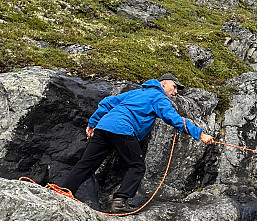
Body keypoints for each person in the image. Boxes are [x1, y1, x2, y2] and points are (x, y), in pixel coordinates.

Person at [61, 73, 214, 213]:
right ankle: (119, 203)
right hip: (123, 129)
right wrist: (200, 135)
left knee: (87, 163)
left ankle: (63, 191)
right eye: (174, 87)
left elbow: (108, 102)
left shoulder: (137, 92)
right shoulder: (159, 98)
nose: (175, 92)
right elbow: (174, 119)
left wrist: (92, 123)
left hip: (103, 127)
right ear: (163, 84)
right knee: (137, 166)